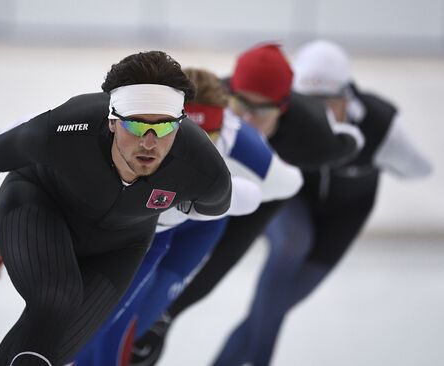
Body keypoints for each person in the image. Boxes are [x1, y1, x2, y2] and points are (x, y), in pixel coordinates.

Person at [0, 50, 233, 366]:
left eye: (163, 128)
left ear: (179, 124)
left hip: (122, 244)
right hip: (38, 204)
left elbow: (212, 208)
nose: (149, 142)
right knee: (57, 301)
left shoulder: (204, 167)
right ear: (111, 121)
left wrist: (156, 210)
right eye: (136, 127)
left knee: (57, 350)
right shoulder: (73, 124)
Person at [130, 43, 366, 366]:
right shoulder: (210, 99)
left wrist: (357, 132)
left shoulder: (312, 135)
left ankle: (163, 318)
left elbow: (349, 143)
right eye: (242, 105)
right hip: (202, 188)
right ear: (230, 95)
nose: (250, 118)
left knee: (225, 250)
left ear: (282, 108)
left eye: (263, 110)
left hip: (261, 195)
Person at [209, 40, 433, 366]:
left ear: (349, 98)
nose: (317, 116)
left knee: (269, 311)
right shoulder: (283, 116)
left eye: (327, 103)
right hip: (292, 203)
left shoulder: (380, 125)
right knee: (294, 243)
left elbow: (420, 169)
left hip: (342, 219)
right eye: (306, 103)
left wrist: (383, 157)